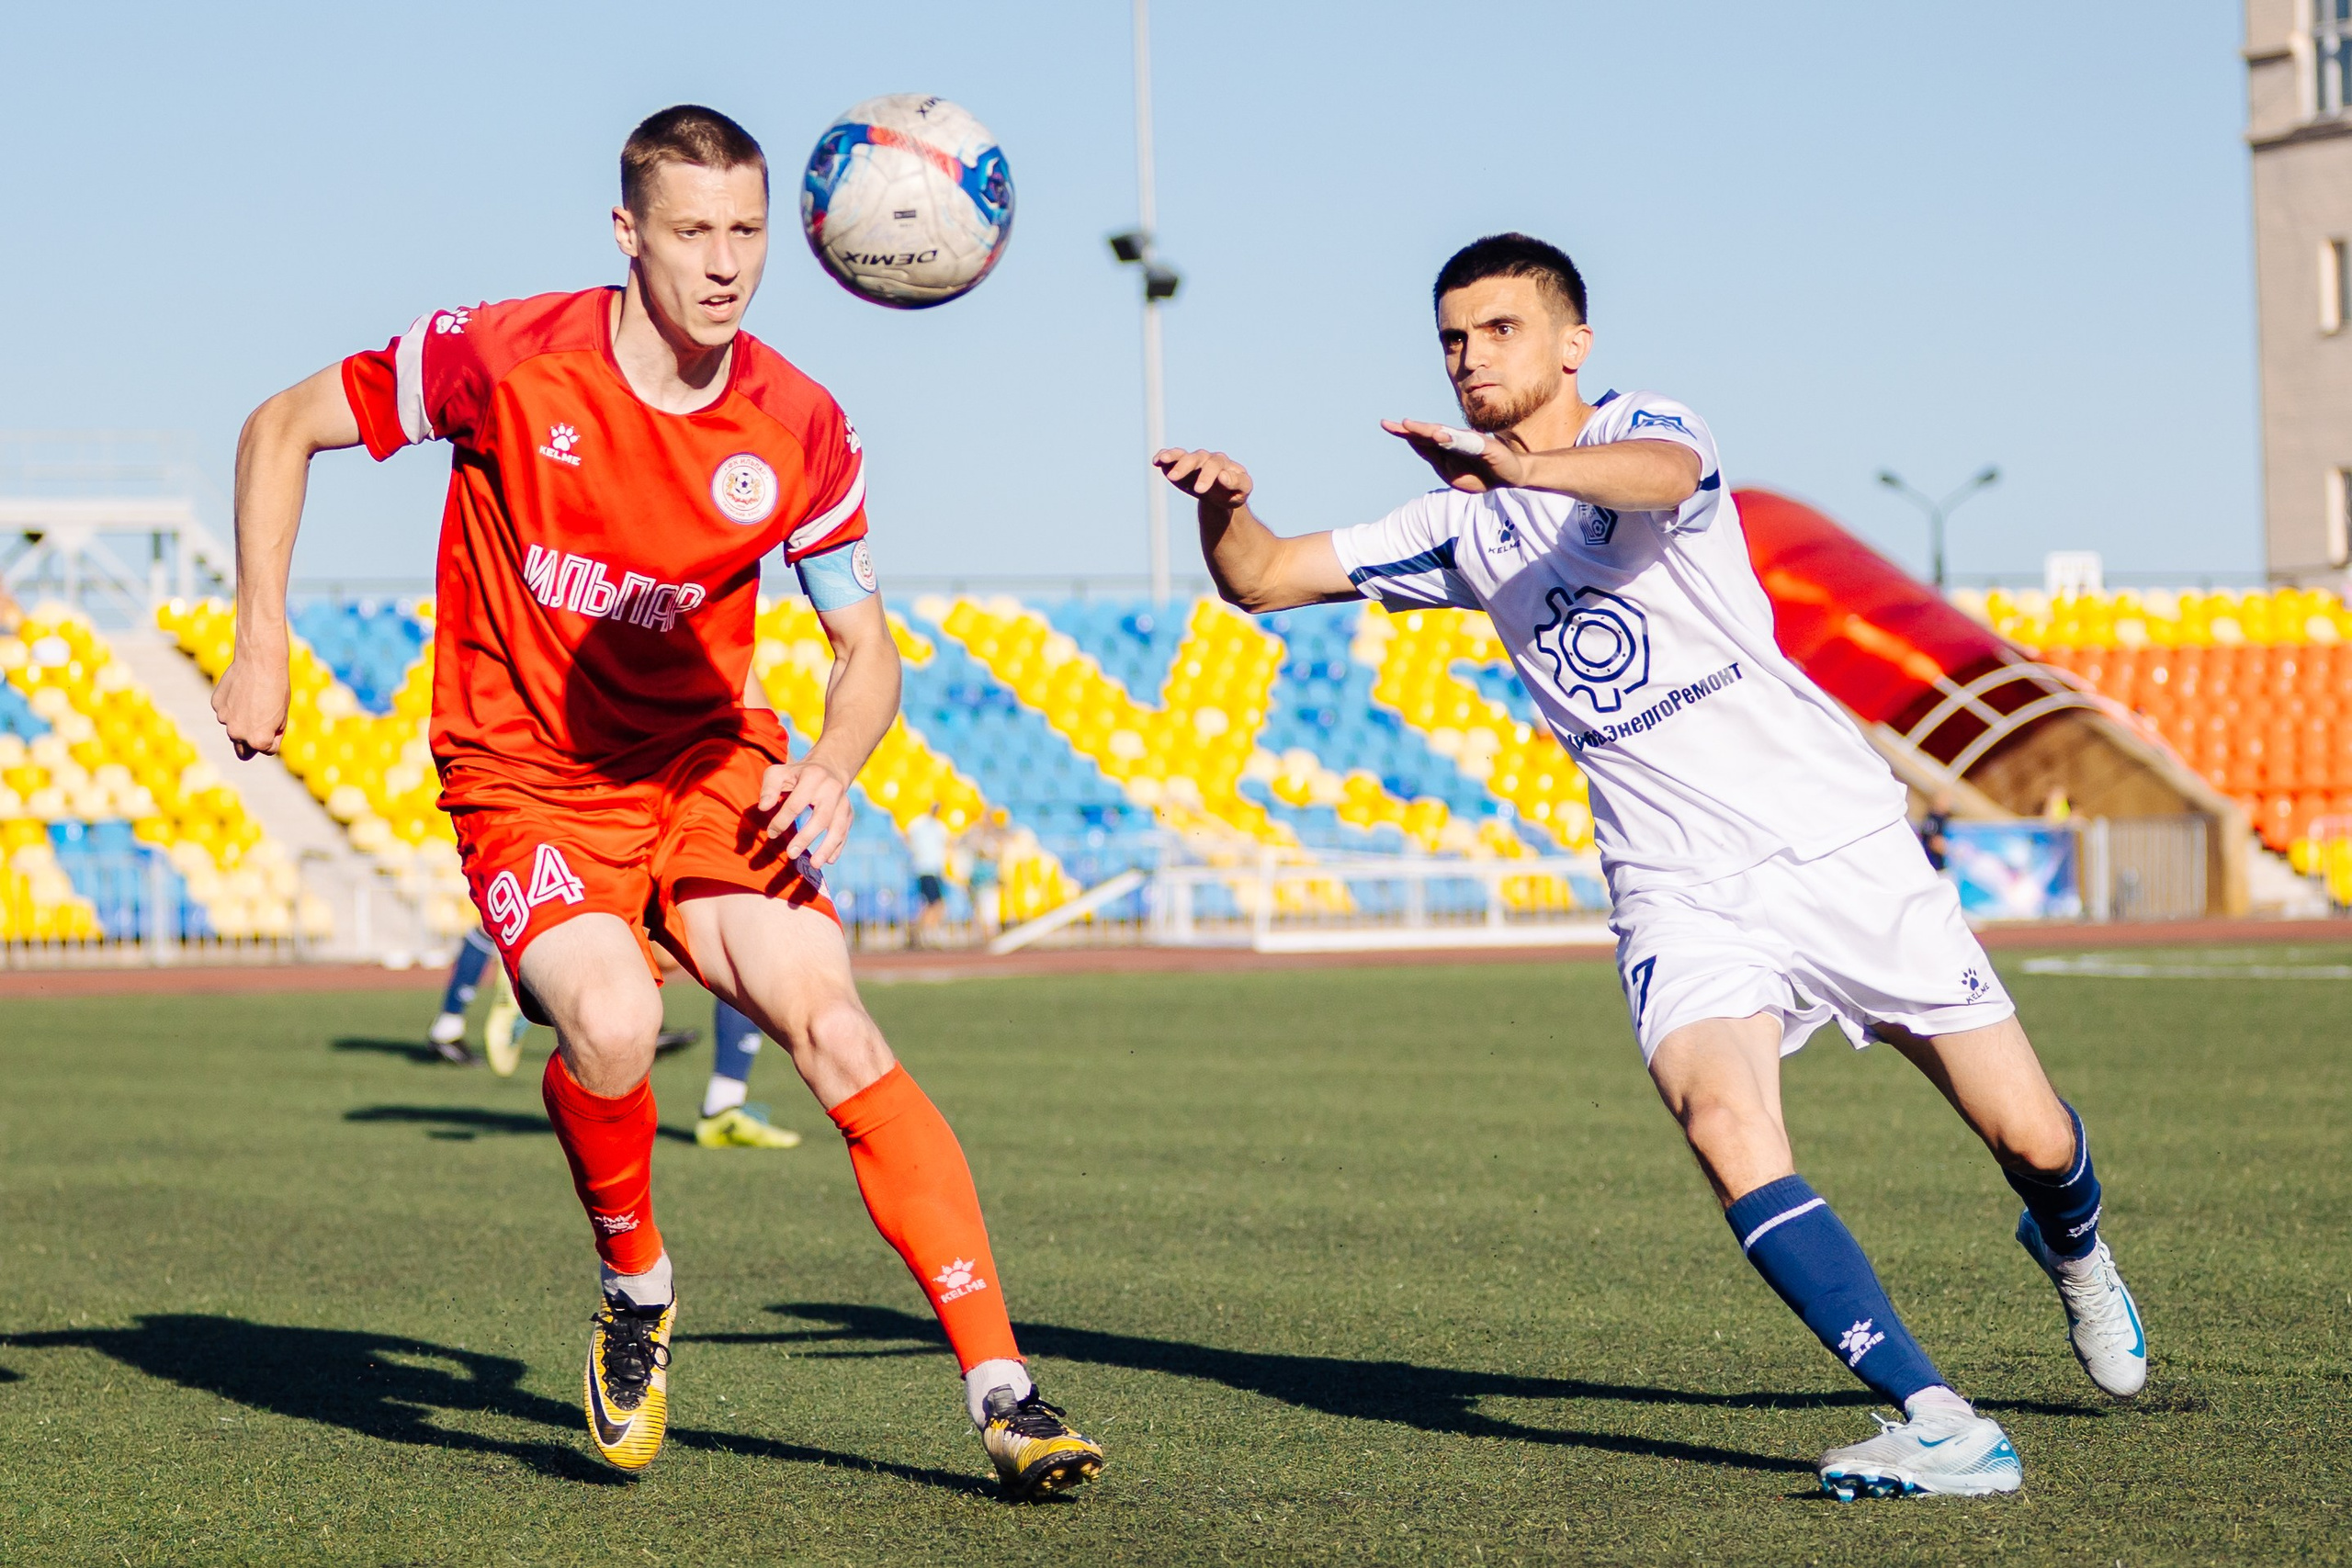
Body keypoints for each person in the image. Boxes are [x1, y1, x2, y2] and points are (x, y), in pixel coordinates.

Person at [1153, 232, 2143, 1502]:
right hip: (1676, 883)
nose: (1469, 358)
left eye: (1499, 330)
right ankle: (1939, 1414)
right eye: (1453, 339)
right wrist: (1227, 506)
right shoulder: (1455, 528)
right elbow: (1268, 579)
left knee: (2031, 1131)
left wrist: (1526, 466)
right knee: (1720, 1115)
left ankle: (2071, 1240)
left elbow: (1660, 475)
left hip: (1839, 844)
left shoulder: (1649, 425)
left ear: (1573, 343)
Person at [213, 105, 1101, 1496]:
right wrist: (261, 630)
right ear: (627, 233)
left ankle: (1007, 1389)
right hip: (524, 776)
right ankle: (637, 1285)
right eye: (693, 231)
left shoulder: (801, 422)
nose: (725, 260)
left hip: (705, 764)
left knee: (837, 1018)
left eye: (748, 231)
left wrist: (834, 760)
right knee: (617, 1020)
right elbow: (281, 426)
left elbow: (866, 649)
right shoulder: (500, 356)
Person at [905, 801, 951, 947]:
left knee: (931, 905)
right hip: (926, 868)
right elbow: (907, 836)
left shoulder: (939, 826)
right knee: (936, 904)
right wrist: (916, 852)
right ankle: (925, 932)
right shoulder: (920, 823)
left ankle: (918, 931)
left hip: (932, 869)